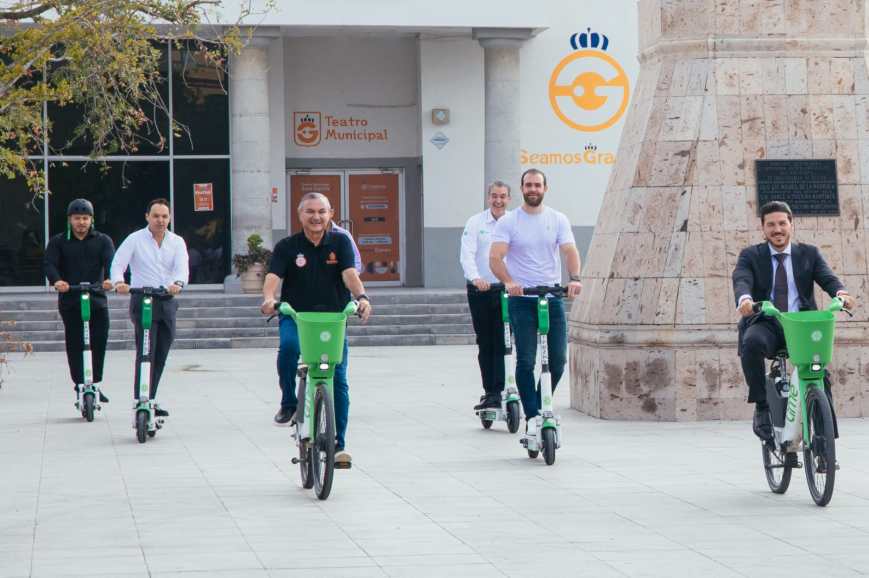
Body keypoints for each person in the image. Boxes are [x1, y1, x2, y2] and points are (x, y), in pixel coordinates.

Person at [261, 192, 372, 467]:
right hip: (295, 315)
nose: (316, 217)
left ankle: (338, 445)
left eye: (321, 211)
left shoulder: (341, 242)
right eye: (310, 211)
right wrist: (269, 299)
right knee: (288, 348)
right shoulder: (288, 246)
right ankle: (289, 401)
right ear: (300, 215)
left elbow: (349, 274)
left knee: (338, 379)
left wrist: (362, 298)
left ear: (330, 214)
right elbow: (273, 277)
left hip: (332, 319)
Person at [732, 200, 855, 442]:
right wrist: (745, 300)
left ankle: (824, 439)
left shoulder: (809, 253)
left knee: (820, 374)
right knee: (752, 343)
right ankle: (762, 408)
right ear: (763, 228)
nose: (777, 229)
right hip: (767, 321)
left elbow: (828, 278)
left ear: (791, 224)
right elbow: (741, 279)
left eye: (782, 223)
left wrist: (841, 294)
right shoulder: (751, 255)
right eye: (771, 225)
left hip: (801, 325)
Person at [489, 168, 582, 439]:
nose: (533, 189)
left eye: (537, 185)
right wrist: (508, 281)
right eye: (528, 185)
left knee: (558, 360)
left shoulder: (557, 219)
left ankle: (542, 407)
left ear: (545, 188)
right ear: (522, 188)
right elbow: (496, 258)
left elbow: (569, 250)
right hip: (522, 299)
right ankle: (532, 416)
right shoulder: (509, 221)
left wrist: (574, 279)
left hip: (551, 298)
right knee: (527, 360)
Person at [111, 198, 189, 416]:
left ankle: (151, 399)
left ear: (170, 218)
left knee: (161, 352)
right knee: (146, 351)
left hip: (166, 301)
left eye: (165, 216)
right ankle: (141, 400)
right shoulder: (135, 239)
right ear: (147, 217)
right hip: (142, 300)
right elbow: (118, 263)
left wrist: (178, 284)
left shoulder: (177, 242)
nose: (160, 220)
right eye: (156, 216)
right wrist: (119, 282)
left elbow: (182, 269)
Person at [43, 199, 115, 403]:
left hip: (97, 300)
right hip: (71, 299)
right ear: (70, 220)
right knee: (74, 343)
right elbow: (49, 264)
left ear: (91, 219)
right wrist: (57, 280)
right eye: (77, 218)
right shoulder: (58, 241)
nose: (81, 222)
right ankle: (79, 383)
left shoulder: (103, 240)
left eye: (85, 218)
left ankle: (95, 383)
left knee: (98, 341)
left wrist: (110, 279)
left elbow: (111, 261)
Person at [460, 180, 511, 411]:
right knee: (486, 341)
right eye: (494, 196)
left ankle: (504, 388)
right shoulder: (476, 222)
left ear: (509, 199)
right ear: (488, 198)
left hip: (507, 290)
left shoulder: (514, 222)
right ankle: (491, 391)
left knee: (504, 342)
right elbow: (467, 254)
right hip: (481, 290)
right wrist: (475, 277)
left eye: (502, 196)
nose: (498, 200)